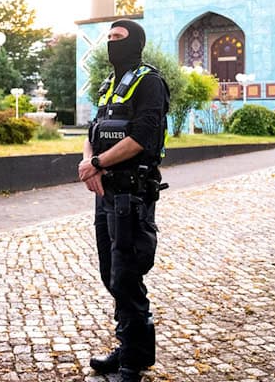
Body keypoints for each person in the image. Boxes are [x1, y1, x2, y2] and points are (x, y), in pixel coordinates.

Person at [77, 19, 170, 382]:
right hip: (106, 193)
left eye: (119, 37)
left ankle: (134, 360)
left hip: (132, 194)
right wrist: (89, 163)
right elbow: (93, 132)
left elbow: (144, 137)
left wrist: (98, 162)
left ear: (137, 43)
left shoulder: (150, 82)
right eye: (109, 37)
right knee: (110, 274)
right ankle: (127, 345)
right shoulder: (109, 85)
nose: (111, 43)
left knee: (127, 275)